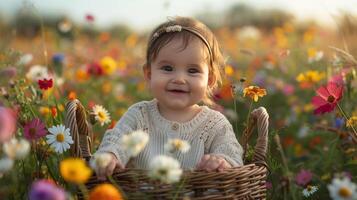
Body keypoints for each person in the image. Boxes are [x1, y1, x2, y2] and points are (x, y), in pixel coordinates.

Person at [94, 16, 243, 180]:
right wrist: (110, 155)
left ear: (210, 80)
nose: (179, 79)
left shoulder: (214, 124)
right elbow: (118, 139)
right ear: (149, 74)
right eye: (167, 68)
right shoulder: (139, 115)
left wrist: (222, 161)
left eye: (193, 71)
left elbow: (232, 154)